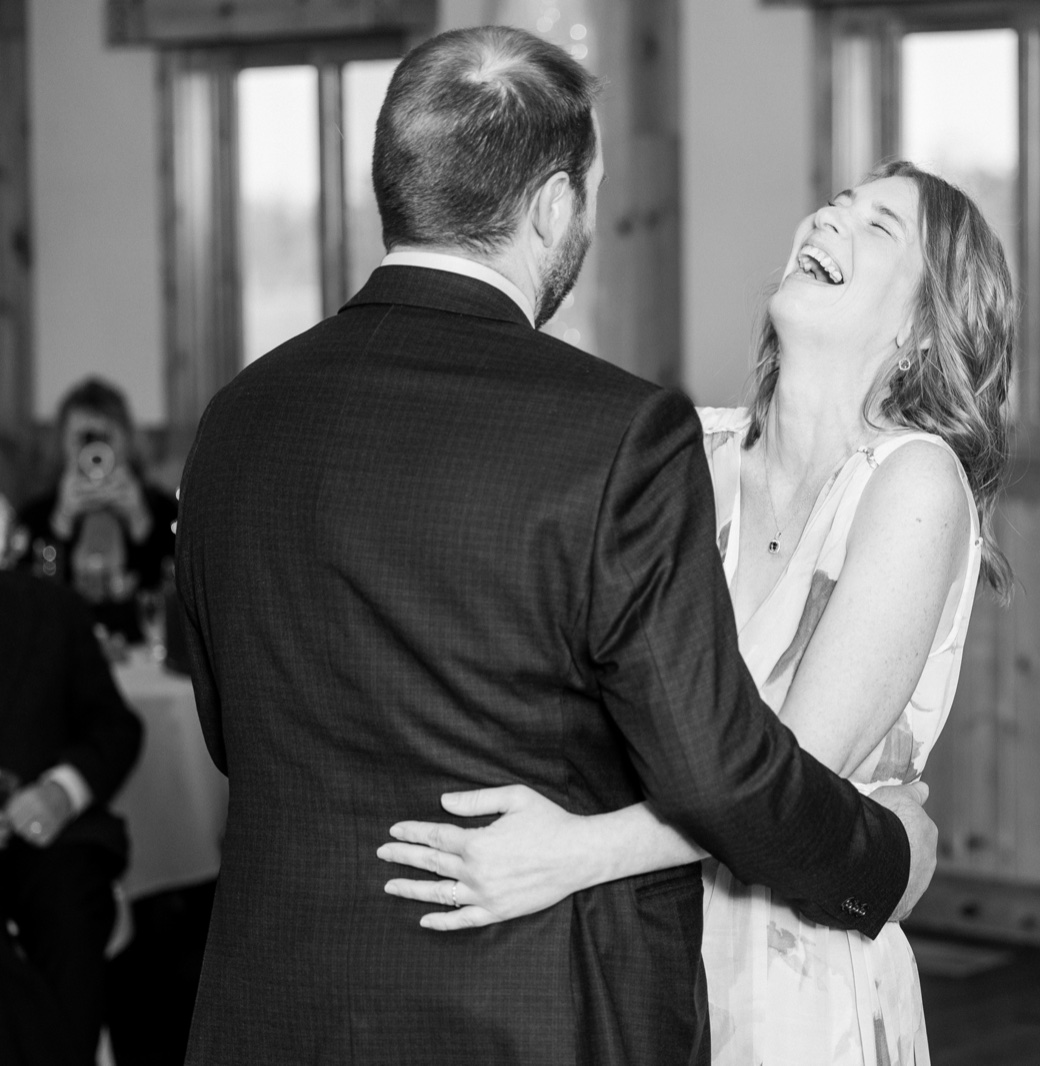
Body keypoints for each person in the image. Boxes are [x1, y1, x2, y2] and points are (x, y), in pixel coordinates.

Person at [173, 26, 936, 1066]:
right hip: (528, 1010)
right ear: (550, 207)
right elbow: (717, 773)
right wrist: (880, 855)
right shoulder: (617, 435)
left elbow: (231, 730)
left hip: (277, 1003)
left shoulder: (236, 419)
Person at [380, 161, 1016, 1064]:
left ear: (922, 331)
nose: (832, 219)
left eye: (879, 228)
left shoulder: (914, 482)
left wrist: (568, 855)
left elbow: (787, 785)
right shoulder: (681, 452)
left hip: (796, 974)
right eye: (839, 204)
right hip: (637, 945)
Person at [0, 569, 145, 1065]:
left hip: (49, 839)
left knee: (71, 911)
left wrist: (63, 792)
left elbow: (115, 726)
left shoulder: (49, 607)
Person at [15, 378, 178, 645]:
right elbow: (24, 597)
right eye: (83, 439)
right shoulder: (37, 515)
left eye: (105, 438)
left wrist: (141, 524)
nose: (94, 451)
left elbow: (177, 589)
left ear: (126, 441)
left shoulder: (160, 510)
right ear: (62, 445)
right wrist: (60, 524)